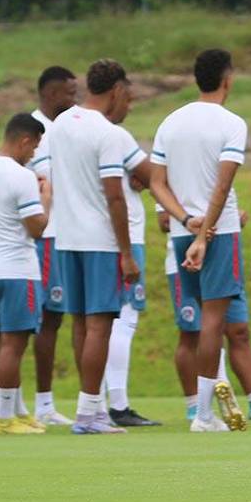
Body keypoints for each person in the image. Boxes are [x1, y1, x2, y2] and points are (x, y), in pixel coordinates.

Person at [150, 49, 251, 432]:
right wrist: (207, 232)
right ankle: (205, 416)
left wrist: (186, 221)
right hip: (220, 232)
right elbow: (222, 186)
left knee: (200, 321)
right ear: (228, 78)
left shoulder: (170, 123)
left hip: (181, 233)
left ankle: (203, 410)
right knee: (213, 320)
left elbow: (156, 183)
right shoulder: (231, 124)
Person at [51, 60, 143, 434]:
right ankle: (90, 413)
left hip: (66, 237)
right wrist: (125, 253)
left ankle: (90, 408)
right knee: (100, 325)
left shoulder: (59, 124)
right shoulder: (105, 132)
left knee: (80, 324)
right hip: (101, 242)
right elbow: (115, 196)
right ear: (117, 90)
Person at [156, 205, 251, 422]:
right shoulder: (171, 177)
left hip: (224, 258)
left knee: (238, 330)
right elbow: (164, 221)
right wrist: (199, 224)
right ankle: (196, 405)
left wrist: (232, 219)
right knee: (192, 333)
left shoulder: (220, 176)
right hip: (184, 261)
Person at [100, 106, 159, 427]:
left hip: (95, 238)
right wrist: (142, 174)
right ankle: (118, 404)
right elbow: (153, 174)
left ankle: (97, 402)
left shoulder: (76, 133)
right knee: (124, 320)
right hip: (126, 236)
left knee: (98, 321)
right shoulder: (115, 135)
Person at [28, 66, 77, 427]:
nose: (73, 100)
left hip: (63, 234)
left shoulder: (62, 131)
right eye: (69, 93)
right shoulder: (33, 132)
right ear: (50, 93)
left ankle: (40, 403)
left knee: (54, 318)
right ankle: (39, 404)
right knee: (45, 317)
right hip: (44, 236)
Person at [0, 114, 51, 435]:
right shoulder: (21, 177)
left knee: (3, 344)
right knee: (13, 346)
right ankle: (4, 417)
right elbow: (36, 228)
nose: (33, 155)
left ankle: (17, 410)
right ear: (25, 141)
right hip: (17, 270)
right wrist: (46, 199)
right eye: (34, 148)